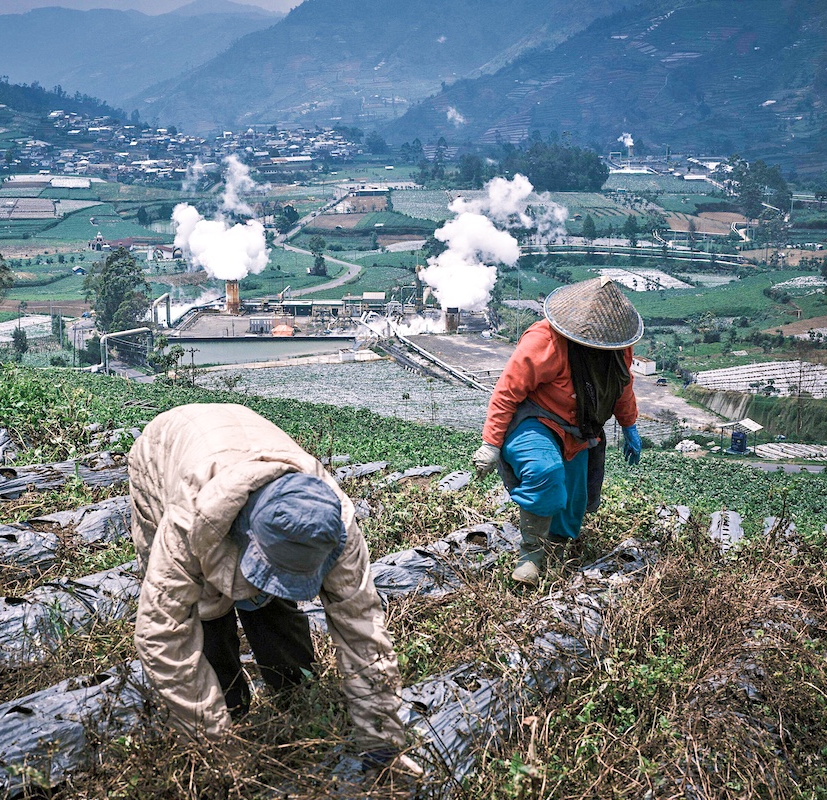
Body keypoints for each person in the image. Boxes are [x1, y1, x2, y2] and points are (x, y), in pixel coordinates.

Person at [127, 403, 417, 773]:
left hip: (237, 440)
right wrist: (217, 748)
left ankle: (293, 690)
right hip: (164, 452)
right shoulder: (187, 516)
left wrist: (382, 741)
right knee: (204, 609)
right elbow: (161, 636)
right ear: (248, 538)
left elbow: (361, 626)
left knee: (270, 603)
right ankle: (231, 706)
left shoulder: (333, 521)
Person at [472, 277, 643, 585]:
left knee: (572, 500)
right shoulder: (545, 342)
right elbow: (507, 392)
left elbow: (622, 387)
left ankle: (556, 549)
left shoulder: (618, 350)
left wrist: (629, 424)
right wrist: (491, 443)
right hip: (535, 420)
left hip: (578, 428)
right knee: (545, 472)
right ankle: (531, 554)